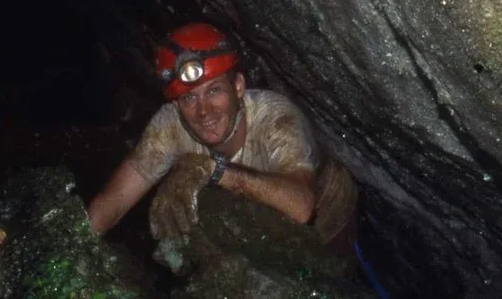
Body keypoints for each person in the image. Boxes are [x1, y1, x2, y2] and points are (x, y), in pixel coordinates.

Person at [86, 22, 357, 254]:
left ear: (238, 87)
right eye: (190, 98)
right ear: (177, 106)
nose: (204, 112)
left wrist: (213, 171)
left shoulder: (277, 119)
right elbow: (113, 203)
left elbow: (301, 207)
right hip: (256, 215)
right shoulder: (169, 127)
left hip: (325, 207)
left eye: (214, 90)